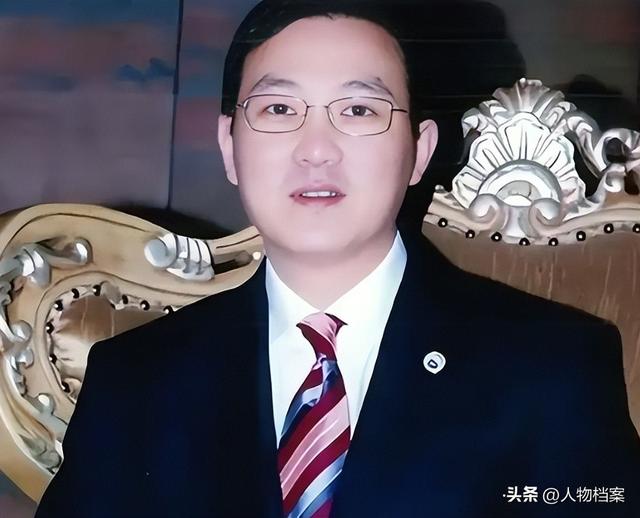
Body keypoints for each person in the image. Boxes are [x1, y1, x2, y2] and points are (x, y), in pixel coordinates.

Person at [36, 1, 640, 517]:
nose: (316, 150)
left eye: (358, 110)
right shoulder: (134, 380)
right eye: (279, 110)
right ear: (228, 146)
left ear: (419, 151)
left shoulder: (554, 369)